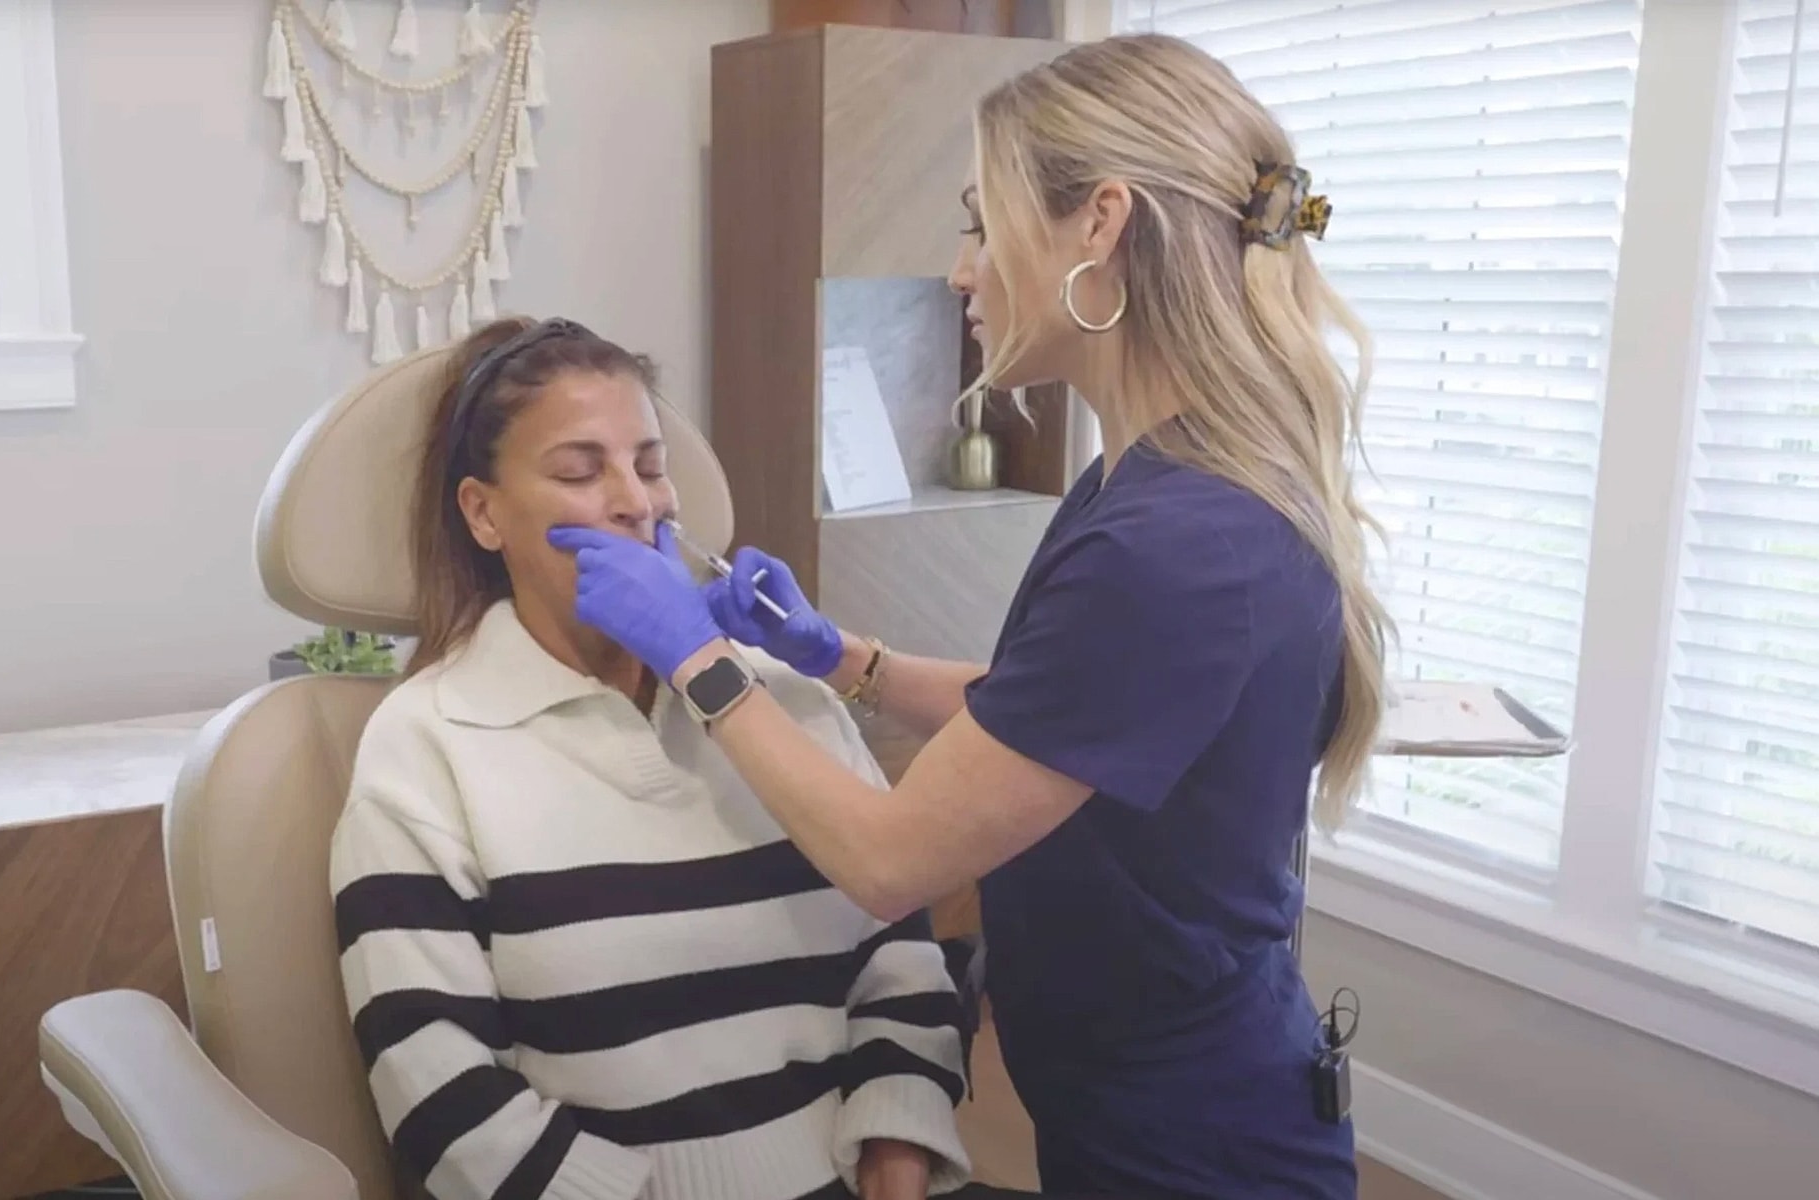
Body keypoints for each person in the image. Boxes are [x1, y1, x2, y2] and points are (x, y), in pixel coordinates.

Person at [547, 33, 1388, 1200]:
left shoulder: (1178, 543)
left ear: (1099, 225)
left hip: (1195, 1144)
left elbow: (886, 863)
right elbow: (1049, 724)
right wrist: (844, 658)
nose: (960, 270)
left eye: (981, 223)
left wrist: (694, 655)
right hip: (1139, 1096)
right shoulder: (1146, 481)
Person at [328, 316, 977, 1200]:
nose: (637, 501)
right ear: (484, 514)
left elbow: (900, 955)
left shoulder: (778, 700)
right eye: (579, 470)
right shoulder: (430, 748)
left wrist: (896, 1151)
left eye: (649, 462)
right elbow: (441, 1087)